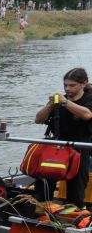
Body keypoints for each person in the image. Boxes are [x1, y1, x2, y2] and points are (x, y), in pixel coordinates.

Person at [34, 67, 92, 207]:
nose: (67, 89)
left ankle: (76, 210)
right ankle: (42, 207)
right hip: (57, 146)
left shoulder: (88, 99)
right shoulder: (59, 101)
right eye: (65, 85)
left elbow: (87, 115)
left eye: (72, 85)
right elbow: (38, 119)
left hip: (80, 146)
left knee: (76, 187)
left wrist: (65, 102)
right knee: (44, 178)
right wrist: (50, 105)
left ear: (84, 83)